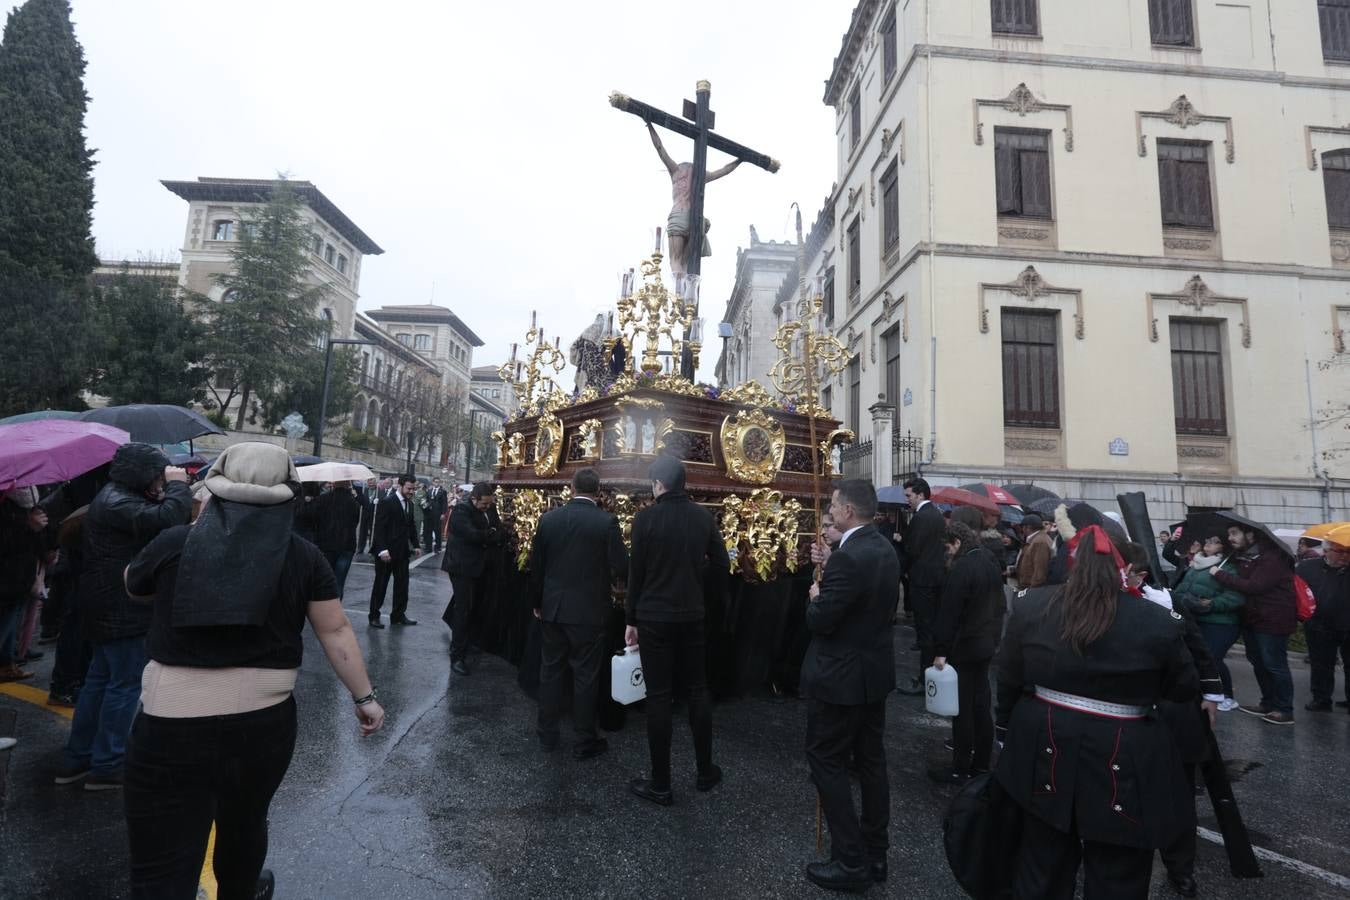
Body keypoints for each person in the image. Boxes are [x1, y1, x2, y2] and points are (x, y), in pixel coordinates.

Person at [122, 442, 384, 900]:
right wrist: (364, 698)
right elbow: (336, 631)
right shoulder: (304, 556)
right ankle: (240, 889)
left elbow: (134, 585)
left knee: (162, 850)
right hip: (261, 724)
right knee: (245, 819)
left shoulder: (175, 543)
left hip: (170, 722)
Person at [995, 523, 1199, 900]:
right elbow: (1181, 687)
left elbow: (1009, 677)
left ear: (1069, 563)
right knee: (1117, 874)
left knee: (1042, 865)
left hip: (1049, 740)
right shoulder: (1155, 621)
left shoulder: (1031, 606)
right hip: (1122, 747)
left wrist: (1004, 729)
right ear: (1123, 568)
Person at [55, 445, 191, 791]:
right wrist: (178, 486)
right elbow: (167, 520)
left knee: (100, 681)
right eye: (158, 473)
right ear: (142, 472)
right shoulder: (117, 501)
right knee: (123, 685)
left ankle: (78, 758)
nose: (161, 479)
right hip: (122, 608)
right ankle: (107, 764)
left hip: (106, 604)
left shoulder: (113, 496)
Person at [797, 479, 898, 892]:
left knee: (826, 761)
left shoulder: (849, 559)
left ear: (848, 512)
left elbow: (821, 621)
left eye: (835, 505)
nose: (832, 511)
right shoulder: (883, 549)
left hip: (840, 678)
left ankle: (850, 859)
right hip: (872, 675)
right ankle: (876, 852)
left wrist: (816, 596)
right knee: (871, 764)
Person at [625, 456, 729, 807]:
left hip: (653, 617)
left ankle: (660, 783)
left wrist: (631, 619)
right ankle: (704, 771)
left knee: (658, 696)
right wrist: (696, 583)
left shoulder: (646, 519)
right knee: (698, 691)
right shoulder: (702, 517)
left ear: (658, 484)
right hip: (692, 615)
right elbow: (721, 564)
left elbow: (635, 573)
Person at [529, 468, 628, 758]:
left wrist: (537, 602)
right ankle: (585, 738)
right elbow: (621, 566)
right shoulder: (606, 521)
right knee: (586, 676)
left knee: (550, 671)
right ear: (599, 491)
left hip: (554, 608)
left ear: (571, 488)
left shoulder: (549, 519)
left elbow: (538, 567)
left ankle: (546, 734)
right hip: (589, 611)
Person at [930, 521, 1004, 785]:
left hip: (964, 647)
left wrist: (941, 650)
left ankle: (960, 768)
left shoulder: (962, 569)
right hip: (984, 646)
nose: (947, 553)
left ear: (958, 543)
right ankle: (981, 764)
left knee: (962, 710)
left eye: (948, 547)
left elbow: (950, 613)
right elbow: (1000, 607)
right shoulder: (989, 560)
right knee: (981, 705)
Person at [1211, 524, 1297, 725]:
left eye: (1234, 533)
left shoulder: (1271, 558)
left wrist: (1220, 574)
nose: (1230, 537)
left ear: (1250, 534)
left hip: (1273, 620)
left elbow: (1255, 586)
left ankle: (1284, 709)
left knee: (1275, 664)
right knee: (1258, 662)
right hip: (1253, 619)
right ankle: (1268, 702)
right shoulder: (1246, 556)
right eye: (1229, 533)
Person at [644, 120, 743, 274]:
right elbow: (724, 170)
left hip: (678, 216)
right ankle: (686, 296)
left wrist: (649, 125)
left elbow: (659, 148)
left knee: (675, 262)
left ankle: (678, 297)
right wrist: (741, 159)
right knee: (685, 264)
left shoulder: (675, 171)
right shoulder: (700, 175)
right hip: (695, 221)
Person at [1172, 534, 1245, 712]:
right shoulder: (1196, 564)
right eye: (1207, 540)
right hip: (1196, 619)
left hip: (1221, 623)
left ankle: (1227, 695)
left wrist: (1212, 603)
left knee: (1213, 658)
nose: (1208, 543)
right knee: (1199, 657)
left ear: (1223, 547)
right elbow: (1182, 588)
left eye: (1215, 541)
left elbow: (1236, 597)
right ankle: (1204, 692)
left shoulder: (1228, 568)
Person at [441, 483, 495, 675]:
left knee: (471, 606)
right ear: (474, 499)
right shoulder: (461, 510)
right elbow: (473, 535)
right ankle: (457, 655)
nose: (487, 508)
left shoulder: (487, 508)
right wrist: (490, 535)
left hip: (476, 566)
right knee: (463, 609)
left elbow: (493, 527)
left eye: (489, 504)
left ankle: (465, 641)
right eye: (484, 505)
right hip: (461, 566)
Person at [900, 477, 945, 695]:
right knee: (931, 629)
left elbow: (913, 549)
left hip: (922, 580)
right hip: (934, 578)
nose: (907, 500)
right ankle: (930, 676)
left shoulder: (921, 517)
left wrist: (902, 568)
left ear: (920, 494)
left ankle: (926, 678)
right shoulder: (936, 514)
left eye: (909, 495)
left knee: (925, 631)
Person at [0, 487, 50, 682]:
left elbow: (33, 542)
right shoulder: (6, 505)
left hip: (20, 577)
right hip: (6, 581)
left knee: (13, 624)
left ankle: (6, 665)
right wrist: (28, 527)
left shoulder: (26, 503)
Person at [1299, 538, 1349, 712]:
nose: (1345, 556)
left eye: (1348, 552)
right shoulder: (1307, 567)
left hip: (1348, 624)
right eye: (1340, 551)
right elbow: (1298, 591)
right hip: (1319, 624)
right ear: (1326, 551)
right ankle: (1321, 699)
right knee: (1321, 664)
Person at [368, 475, 420, 629]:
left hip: (402, 553)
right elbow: (379, 528)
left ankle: (398, 616)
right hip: (386, 554)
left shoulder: (409, 504)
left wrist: (416, 545)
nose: (411, 491)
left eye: (413, 489)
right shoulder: (387, 502)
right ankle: (374, 616)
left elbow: (411, 527)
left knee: (402, 586)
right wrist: (383, 550)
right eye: (409, 488)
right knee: (381, 586)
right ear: (400, 486)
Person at [313, 480, 361, 599]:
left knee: (325, 579)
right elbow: (355, 522)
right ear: (347, 485)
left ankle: (323, 608)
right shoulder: (353, 502)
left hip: (326, 544)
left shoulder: (323, 499)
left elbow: (316, 521)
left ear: (334, 484)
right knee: (339, 581)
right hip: (347, 545)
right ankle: (336, 608)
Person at [1015, 514, 1054, 589]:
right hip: (1028, 586)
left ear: (1028, 527)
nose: (1022, 530)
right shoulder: (1037, 539)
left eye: (1022, 527)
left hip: (1031, 588)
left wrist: (1033, 590)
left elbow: (1040, 570)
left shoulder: (1040, 542)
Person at [424, 477, 449, 553]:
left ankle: (438, 547)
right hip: (429, 514)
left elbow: (445, 503)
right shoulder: (429, 490)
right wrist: (425, 507)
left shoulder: (443, 491)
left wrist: (443, 513)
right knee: (428, 530)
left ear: (439, 483)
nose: (436, 483)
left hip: (438, 513)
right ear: (433, 482)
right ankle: (428, 547)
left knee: (437, 531)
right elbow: (426, 500)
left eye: (438, 482)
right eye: (435, 482)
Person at [356, 477, 377, 555]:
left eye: (372, 482)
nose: (370, 484)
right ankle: (360, 548)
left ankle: (371, 548)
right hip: (364, 514)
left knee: (373, 532)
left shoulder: (379, 491)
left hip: (374, 514)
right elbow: (360, 501)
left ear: (375, 483)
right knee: (362, 532)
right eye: (369, 482)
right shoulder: (364, 490)